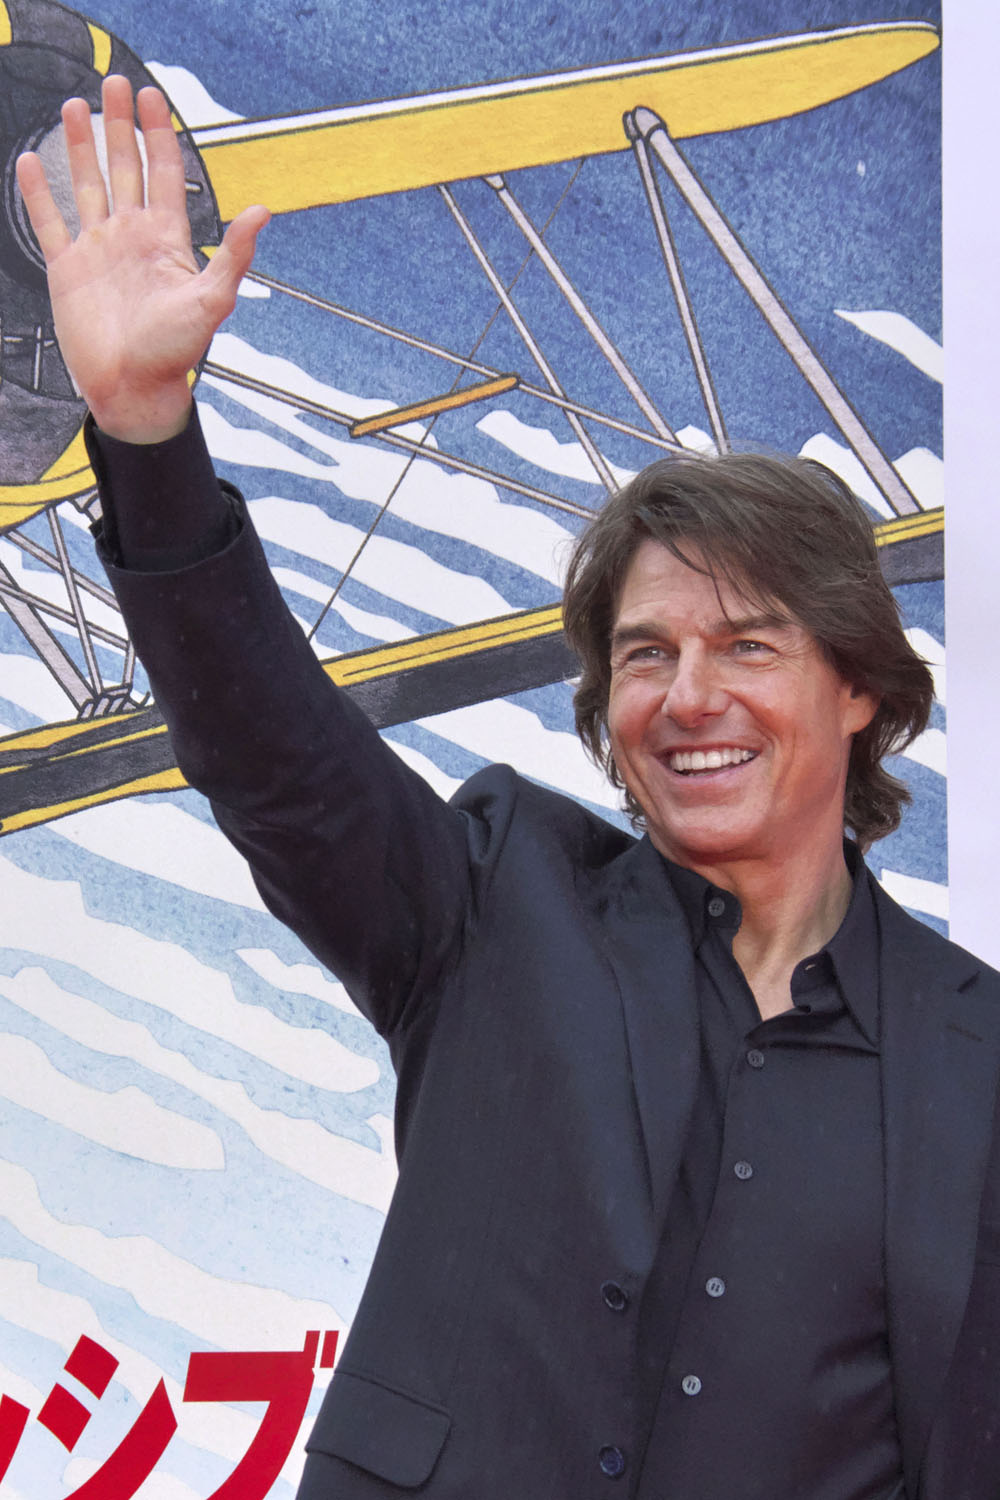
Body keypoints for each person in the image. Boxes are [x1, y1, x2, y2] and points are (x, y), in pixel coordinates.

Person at [17, 77, 1000, 1500]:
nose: (690, 696)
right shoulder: (490, 901)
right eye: (646, 652)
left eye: (749, 645)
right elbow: (274, 754)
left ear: (858, 688)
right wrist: (146, 430)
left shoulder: (975, 1057)